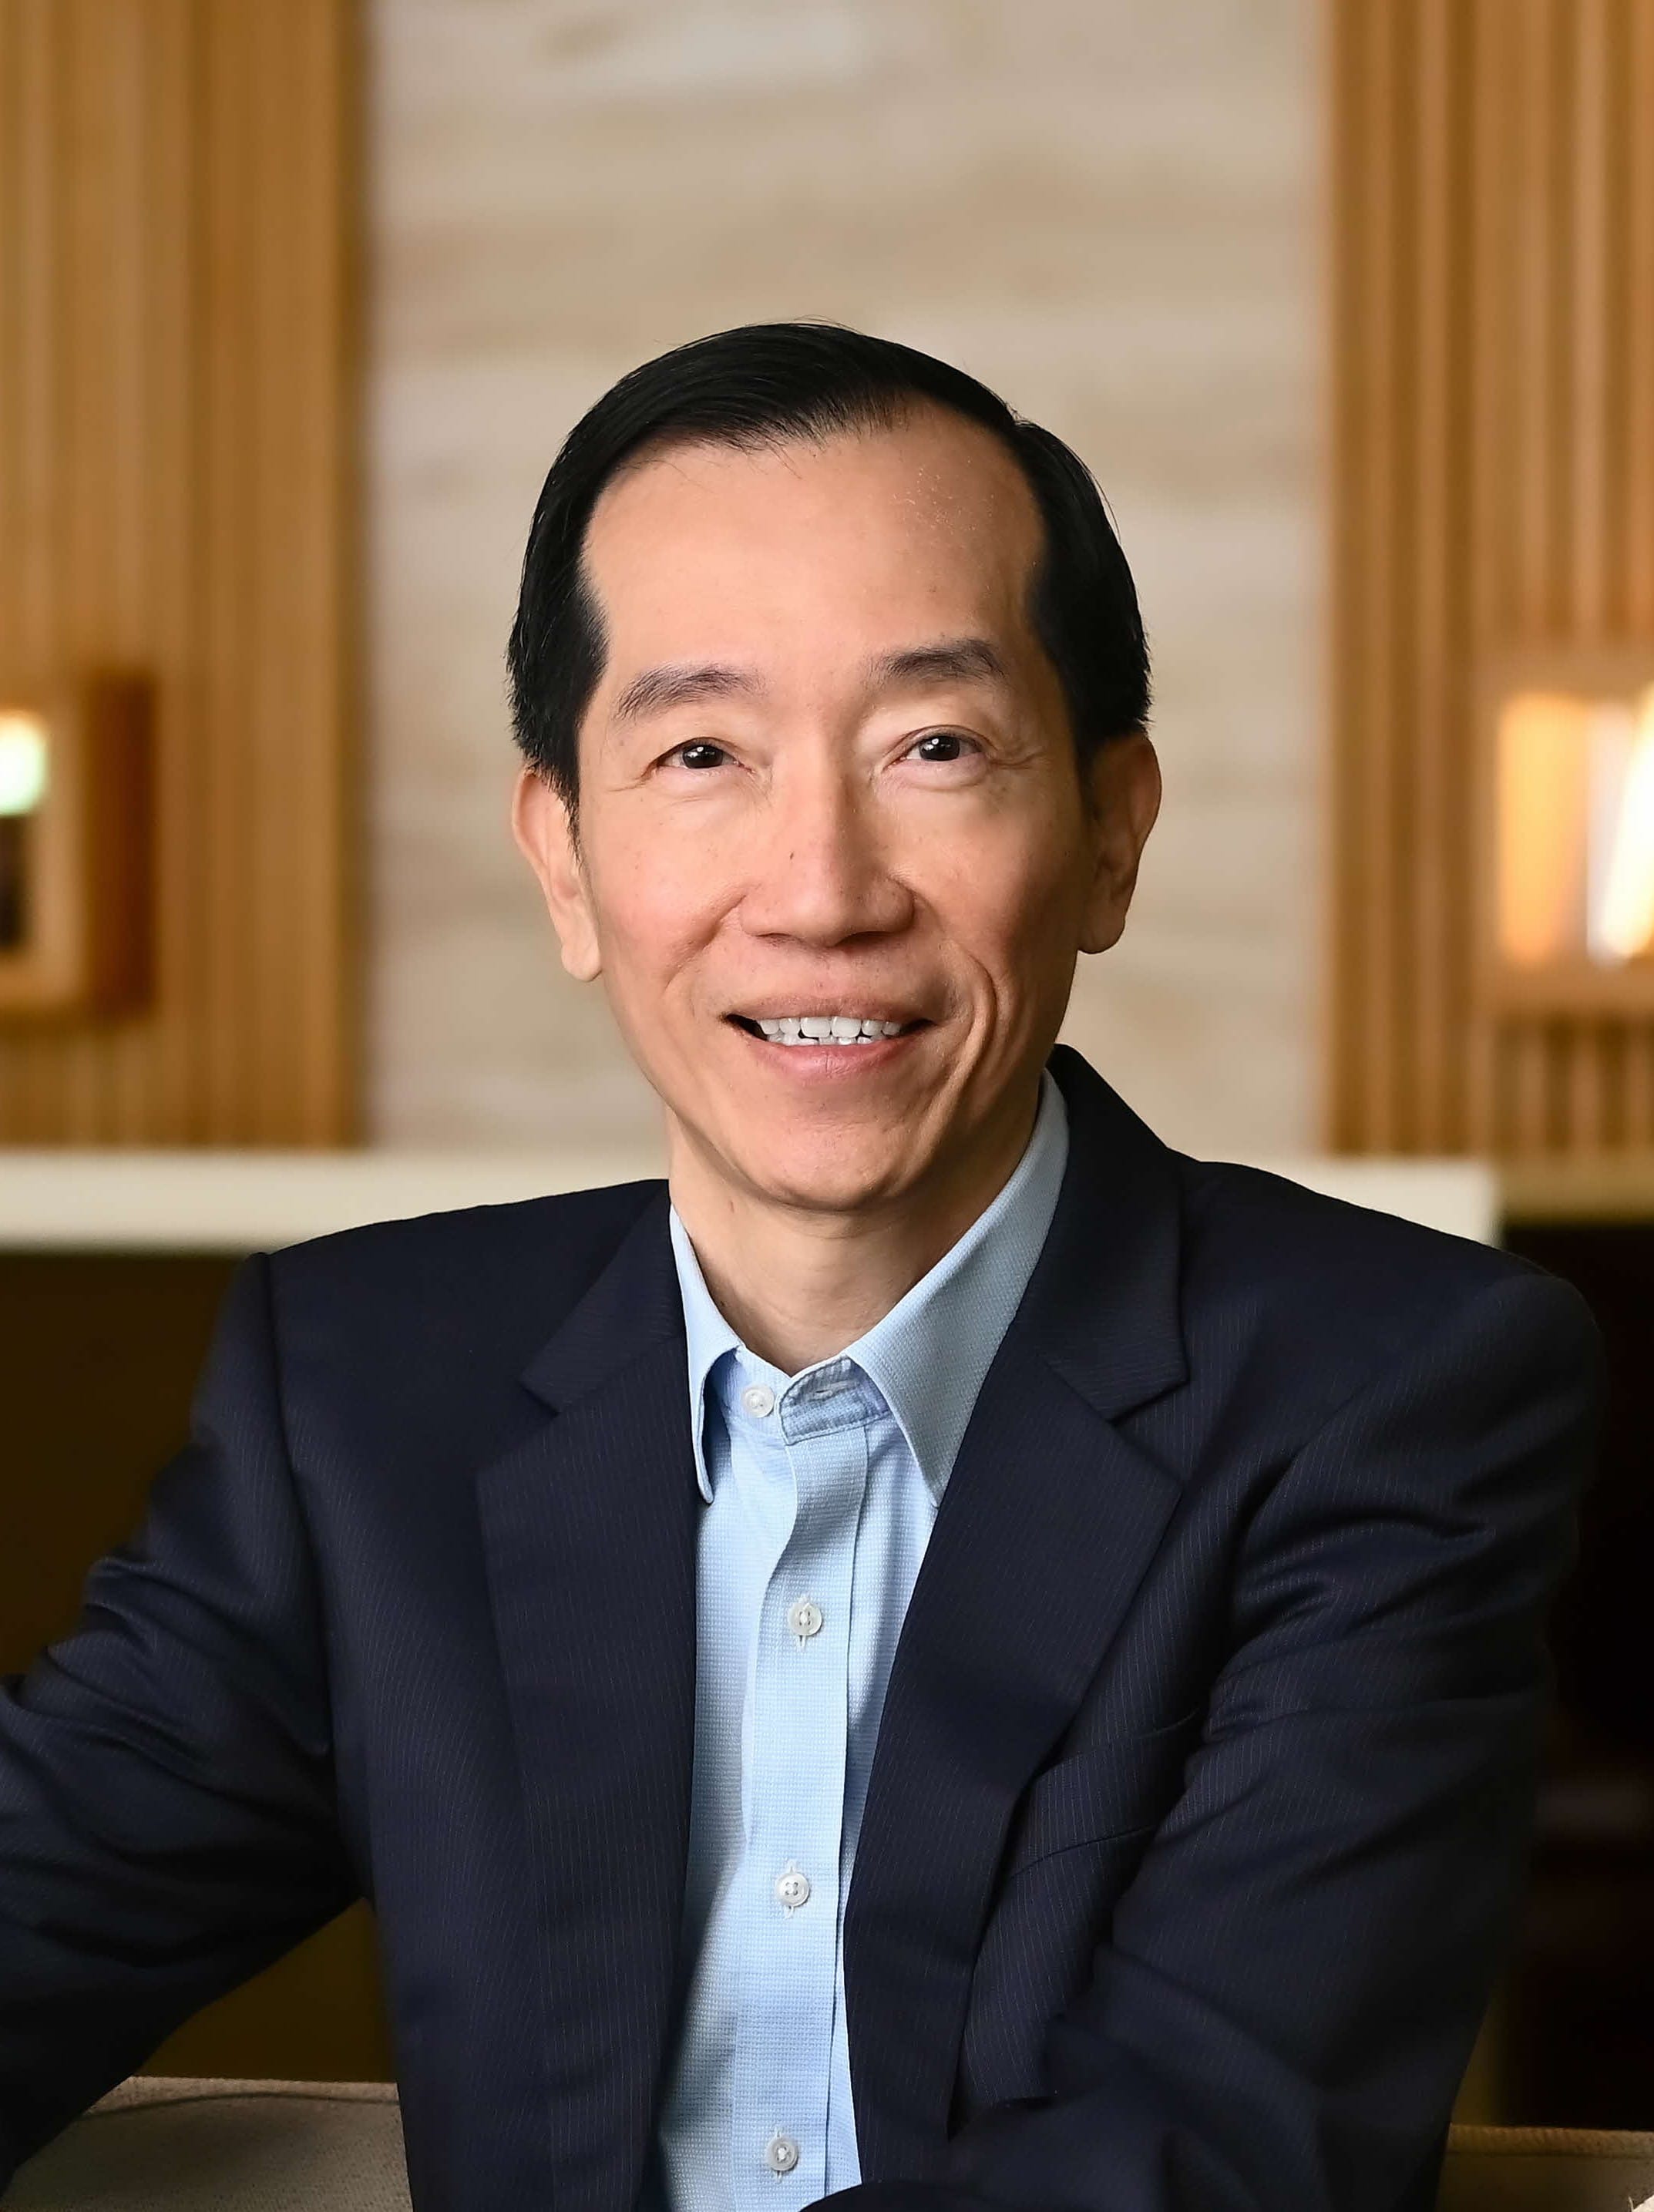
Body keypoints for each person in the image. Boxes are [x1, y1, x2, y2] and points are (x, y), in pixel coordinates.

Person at [0, 324, 1602, 2212]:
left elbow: (1190, 2155)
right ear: (567, 862)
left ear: (1107, 830)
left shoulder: (1392, 1390)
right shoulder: (362, 1389)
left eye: (934, 745)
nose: (821, 886)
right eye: (700, 753)